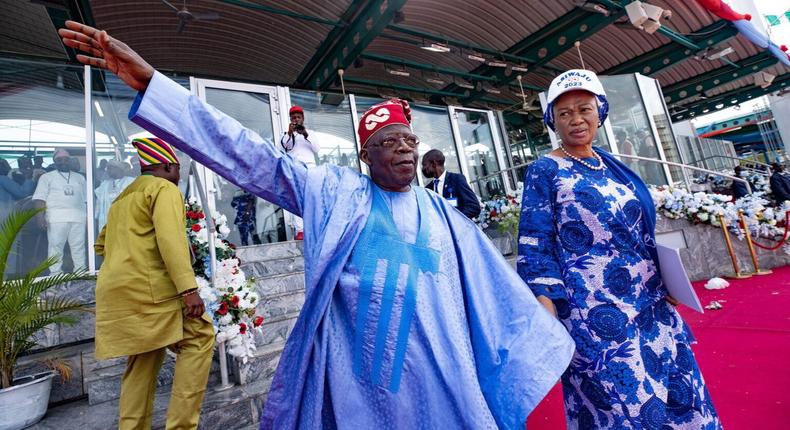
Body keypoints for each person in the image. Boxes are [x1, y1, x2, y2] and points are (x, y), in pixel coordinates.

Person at [59, 21, 574, 429]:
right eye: (389, 142)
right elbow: (248, 153)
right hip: (357, 376)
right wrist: (155, 84)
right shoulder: (334, 193)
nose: (404, 149)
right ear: (365, 155)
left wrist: (544, 327)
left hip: (442, 375)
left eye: (409, 141)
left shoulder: (446, 218)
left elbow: (497, 295)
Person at [519, 69, 721, 428]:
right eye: (564, 113)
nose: (576, 120)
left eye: (584, 109)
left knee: (679, 394)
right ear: (552, 119)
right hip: (594, 313)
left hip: (650, 302)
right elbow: (534, 244)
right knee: (622, 405)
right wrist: (545, 309)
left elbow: (640, 232)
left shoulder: (613, 166)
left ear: (600, 111)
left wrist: (669, 283)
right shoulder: (545, 169)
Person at [94, 137, 214, 430]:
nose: (179, 173)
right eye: (177, 167)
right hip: (152, 291)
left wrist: (132, 254)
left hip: (120, 293)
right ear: (167, 166)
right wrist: (189, 289)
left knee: (143, 358)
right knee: (200, 337)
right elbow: (169, 239)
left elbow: (101, 245)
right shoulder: (164, 188)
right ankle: (181, 426)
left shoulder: (122, 198)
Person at [32, 149, 87, 273]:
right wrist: (40, 217)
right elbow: (39, 198)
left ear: (70, 161)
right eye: (59, 160)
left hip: (78, 217)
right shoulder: (46, 177)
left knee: (79, 247)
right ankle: (56, 274)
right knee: (55, 247)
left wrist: (87, 218)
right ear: (54, 162)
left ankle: (80, 273)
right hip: (56, 218)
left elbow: (86, 200)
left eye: (66, 159)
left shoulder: (80, 178)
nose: (63, 162)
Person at [280, 105, 320, 240]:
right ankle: (300, 230)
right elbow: (283, 148)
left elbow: (316, 149)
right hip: (295, 169)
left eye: (298, 117)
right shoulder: (286, 135)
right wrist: (290, 133)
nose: (296, 120)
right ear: (291, 120)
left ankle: (315, 227)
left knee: (313, 197)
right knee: (298, 198)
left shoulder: (310, 133)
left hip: (310, 169)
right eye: (294, 118)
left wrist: (305, 134)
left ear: (303, 118)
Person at [421, 149, 481, 219]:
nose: (424, 168)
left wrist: (455, 221)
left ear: (434, 164)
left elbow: (474, 206)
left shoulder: (456, 179)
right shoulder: (428, 189)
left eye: (424, 165)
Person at [94, 159, 135, 231]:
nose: (107, 171)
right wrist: (96, 215)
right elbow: (99, 201)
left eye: (110, 168)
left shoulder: (131, 181)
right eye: (107, 169)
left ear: (118, 169)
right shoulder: (105, 184)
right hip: (109, 218)